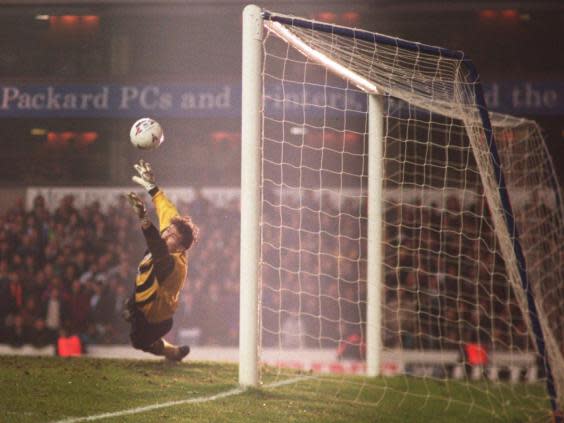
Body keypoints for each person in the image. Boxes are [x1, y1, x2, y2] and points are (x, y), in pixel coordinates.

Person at [124, 159, 199, 361]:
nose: (166, 235)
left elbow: (158, 249)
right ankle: (131, 307)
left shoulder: (175, 265)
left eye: (172, 236)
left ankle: (172, 352)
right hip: (145, 296)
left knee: (138, 342)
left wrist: (144, 219)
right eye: (167, 231)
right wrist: (151, 186)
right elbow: (165, 207)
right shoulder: (171, 232)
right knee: (129, 308)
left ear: (182, 247)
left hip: (156, 318)